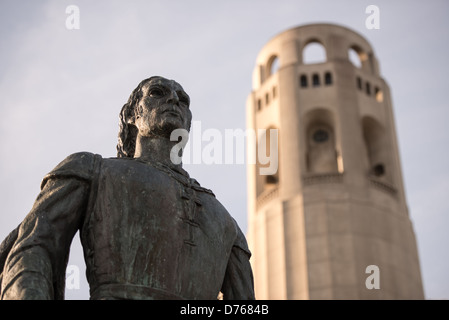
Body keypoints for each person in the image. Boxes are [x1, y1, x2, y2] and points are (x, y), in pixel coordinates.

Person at [0, 76, 255, 300]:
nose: (174, 100)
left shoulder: (225, 221)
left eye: (183, 100)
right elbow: (34, 246)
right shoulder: (92, 170)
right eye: (157, 92)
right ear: (133, 113)